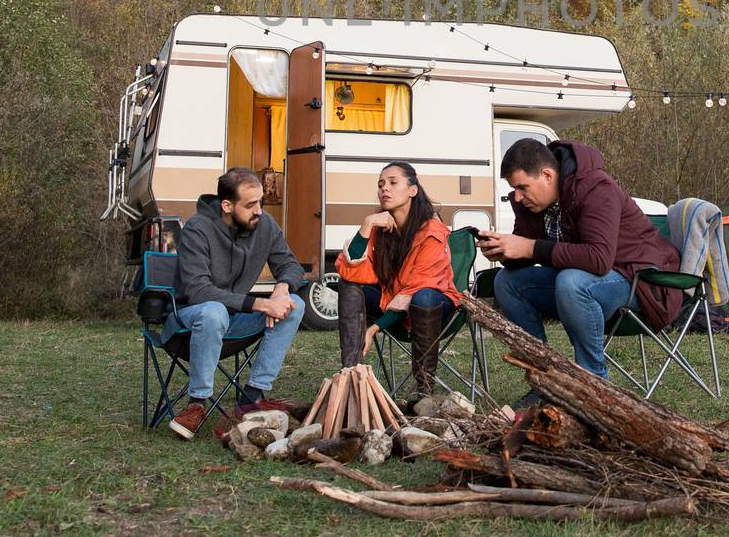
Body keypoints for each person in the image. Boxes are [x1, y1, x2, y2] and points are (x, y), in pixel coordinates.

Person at [478, 138, 680, 401]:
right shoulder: (532, 202)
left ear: (547, 175)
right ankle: (546, 381)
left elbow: (598, 259)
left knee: (571, 282)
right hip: (589, 283)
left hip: (640, 281)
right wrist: (504, 250)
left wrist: (529, 248)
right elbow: (527, 252)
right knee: (507, 281)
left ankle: (593, 387)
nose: (517, 196)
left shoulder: (595, 188)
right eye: (514, 189)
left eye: (522, 187)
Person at [166, 168, 307, 440]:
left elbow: (290, 264)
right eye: (251, 205)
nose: (259, 211)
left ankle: (251, 398)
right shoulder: (198, 229)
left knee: (295, 304)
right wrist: (261, 305)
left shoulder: (263, 225)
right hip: (188, 321)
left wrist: (282, 287)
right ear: (227, 206)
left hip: (232, 320)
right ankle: (197, 404)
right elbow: (198, 291)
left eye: (261, 202)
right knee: (213, 310)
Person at [335, 161, 461, 399]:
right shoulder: (379, 228)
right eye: (381, 184)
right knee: (349, 286)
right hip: (391, 302)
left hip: (432, 305)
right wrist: (367, 224)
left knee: (422, 296)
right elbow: (349, 270)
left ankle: (425, 392)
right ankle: (350, 375)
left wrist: (374, 328)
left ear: (412, 190)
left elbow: (417, 287)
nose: (385, 189)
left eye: (393, 183)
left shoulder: (431, 231)